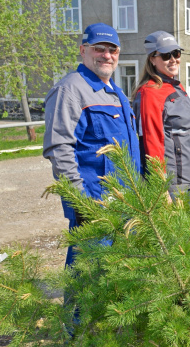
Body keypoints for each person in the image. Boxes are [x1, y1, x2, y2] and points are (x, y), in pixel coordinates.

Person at [42, 23, 141, 269]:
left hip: (126, 202)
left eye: (112, 50)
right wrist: (81, 202)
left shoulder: (116, 93)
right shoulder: (70, 90)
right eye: (99, 49)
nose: (107, 55)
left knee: (117, 276)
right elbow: (59, 148)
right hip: (95, 204)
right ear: (83, 50)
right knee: (87, 277)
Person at [133, 30, 190, 200]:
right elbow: (151, 141)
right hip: (172, 186)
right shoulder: (150, 92)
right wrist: (161, 187)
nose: (173, 59)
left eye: (176, 53)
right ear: (152, 59)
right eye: (165, 55)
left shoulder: (176, 86)